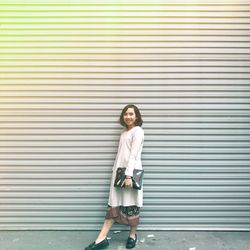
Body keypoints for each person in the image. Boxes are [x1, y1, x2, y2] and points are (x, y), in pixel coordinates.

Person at [85, 104, 144, 250]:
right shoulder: (124, 132)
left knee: (132, 205)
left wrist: (128, 175)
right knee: (113, 205)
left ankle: (132, 235)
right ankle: (101, 239)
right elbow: (120, 155)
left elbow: (133, 155)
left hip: (130, 175)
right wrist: (115, 173)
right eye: (126, 114)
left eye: (131, 114)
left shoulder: (138, 131)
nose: (128, 117)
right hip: (119, 175)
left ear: (136, 116)